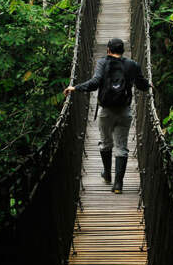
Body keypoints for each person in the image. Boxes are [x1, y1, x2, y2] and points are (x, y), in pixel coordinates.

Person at [63, 38, 151, 194]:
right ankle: (118, 185)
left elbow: (95, 83)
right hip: (124, 111)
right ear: (123, 50)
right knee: (121, 147)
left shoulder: (103, 63)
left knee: (105, 143)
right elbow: (142, 86)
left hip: (106, 112)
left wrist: (75, 88)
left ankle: (107, 174)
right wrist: (149, 85)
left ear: (108, 50)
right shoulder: (132, 65)